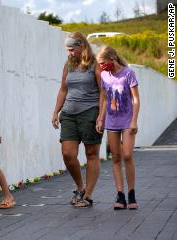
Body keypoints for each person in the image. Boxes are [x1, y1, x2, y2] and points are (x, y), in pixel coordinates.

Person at [52, 32, 104, 208]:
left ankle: (87, 195)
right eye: (68, 49)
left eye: (72, 49)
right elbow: (63, 89)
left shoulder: (94, 64)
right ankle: (80, 187)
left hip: (90, 112)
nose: (70, 53)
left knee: (91, 154)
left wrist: (100, 116)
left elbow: (103, 92)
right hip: (69, 113)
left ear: (82, 46)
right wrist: (55, 112)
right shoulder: (68, 64)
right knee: (68, 154)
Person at [96, 45, 140, 210]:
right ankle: (120, 195)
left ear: (112, 59)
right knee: (115, 157)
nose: (100, 66)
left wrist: (134, 121)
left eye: (102, 63)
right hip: (112, 123)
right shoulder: (104, 76)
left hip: (127, 121)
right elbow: (105, 98)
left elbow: (136, 99)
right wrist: (101, 118)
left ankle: (132, 192)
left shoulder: (128, 73)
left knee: (127, 155)